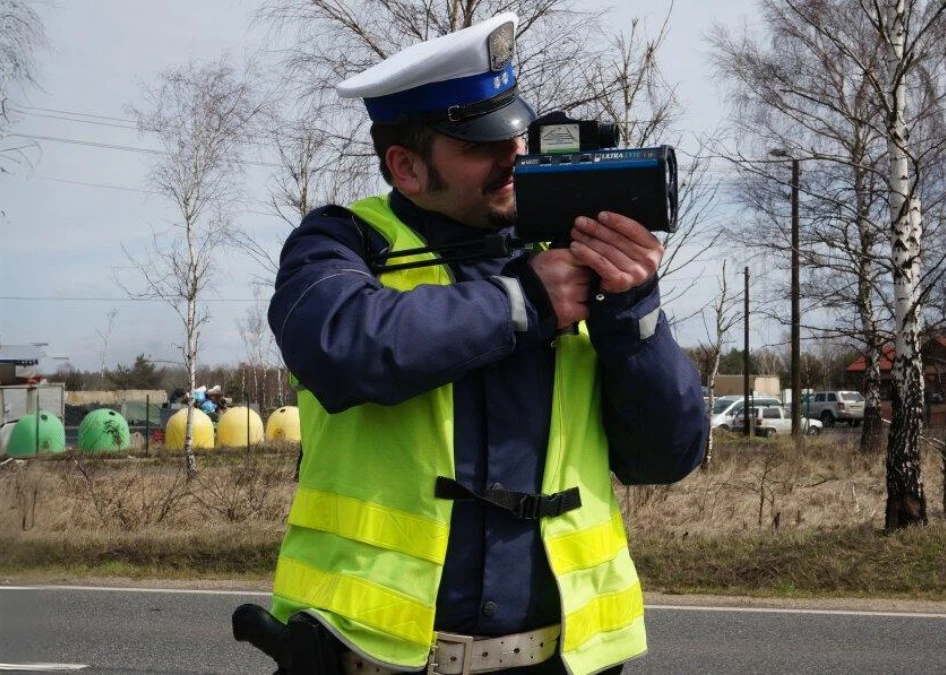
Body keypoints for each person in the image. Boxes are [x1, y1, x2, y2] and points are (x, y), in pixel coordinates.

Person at [266, 12, 707, 675]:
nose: (514, 156)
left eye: (518, 133)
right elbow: (342, 345)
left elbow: (668, 454)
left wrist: (633, 308)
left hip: (560, 660)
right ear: (406, 167)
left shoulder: (565, 251)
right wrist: (523, 303)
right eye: (481, 144)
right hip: (375, 657)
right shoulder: (342, 242)